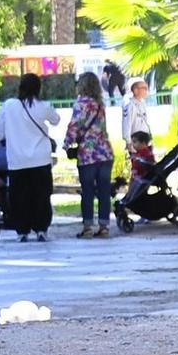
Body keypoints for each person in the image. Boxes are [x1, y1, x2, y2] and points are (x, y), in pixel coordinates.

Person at [0, 72, 60, 242]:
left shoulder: (9, 106)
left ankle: (22, 230)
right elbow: (56, 120)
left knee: (19, 197)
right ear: (38, 88)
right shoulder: (43, 106)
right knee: (42, 195)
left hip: (17, 160)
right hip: (41, 159)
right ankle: (41, 229)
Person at [62, 71, 115, 238]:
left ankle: (88, 227)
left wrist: (66, 144)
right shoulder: (100, 104)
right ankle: (104, 226)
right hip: (105, 152)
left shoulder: (80, 104)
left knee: (88, 191)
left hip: (87, 154)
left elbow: (74, 125)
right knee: (104, 191)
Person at [121, 77, 152, 147]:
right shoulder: (129, 104)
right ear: (135, 90)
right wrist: (128, 142)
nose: (146, 90)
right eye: (143, 88)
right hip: (136, 140)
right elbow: (127, 123)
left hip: (145, 139)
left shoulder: (142, 102)